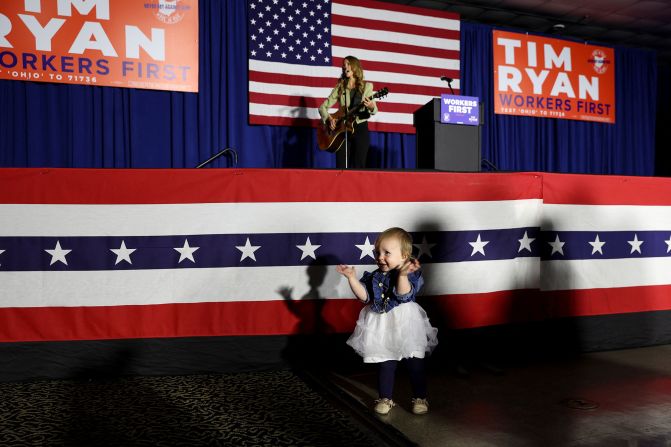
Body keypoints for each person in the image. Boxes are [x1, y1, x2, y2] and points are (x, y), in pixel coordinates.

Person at [336, 227, 438, 415]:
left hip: (406, 322)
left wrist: (403, 275)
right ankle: (385, 397)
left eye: (386, 253)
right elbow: (365, 297)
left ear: (404, 256)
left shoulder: (410, 274)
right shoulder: (374, 276)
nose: (380, 257)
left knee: (414, 361)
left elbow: (404, 294)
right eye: (378, 252)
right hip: (382, 323)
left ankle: (420, 397)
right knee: (386, 361)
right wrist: (351, 279)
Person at [318, 56, 377, 169]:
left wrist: (371, 106)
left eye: (348, 64)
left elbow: (375, 110)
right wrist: (329, 119)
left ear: (355, 67)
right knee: (341, 167)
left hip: (360, 129)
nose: (345, 66)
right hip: (343, 130)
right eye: (343, 64)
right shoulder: (340, 87)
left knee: (359, 166)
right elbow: (322, 108)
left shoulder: (367, 87)